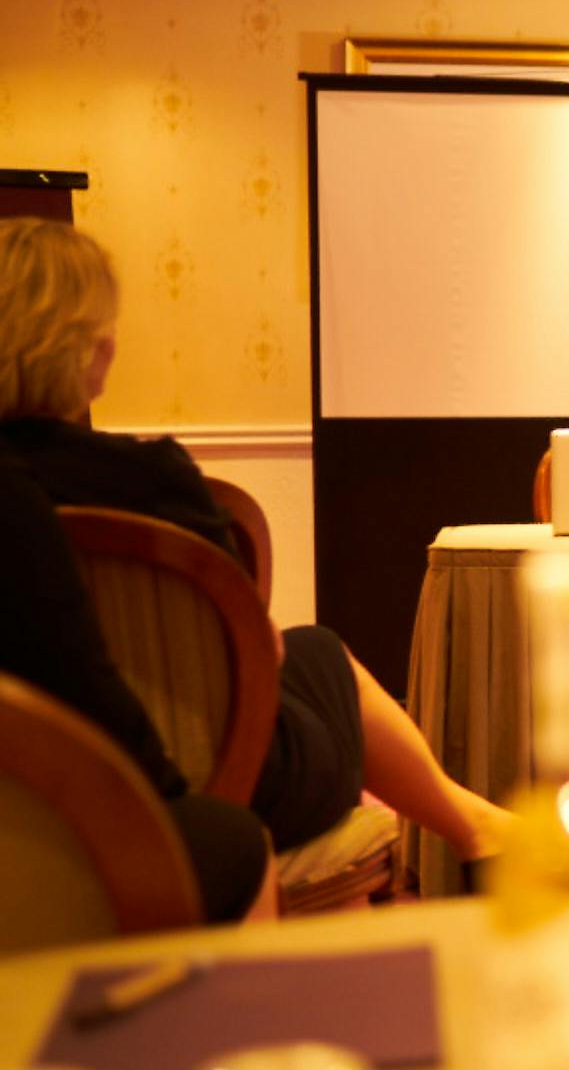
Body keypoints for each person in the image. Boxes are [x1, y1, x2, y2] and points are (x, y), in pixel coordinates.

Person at [0, 217, 514, 868]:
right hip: (225, 778)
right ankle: (474, 827)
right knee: (315, 656)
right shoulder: (153, 481)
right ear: (92, 351)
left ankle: (475, 823)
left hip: (33, 781)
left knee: (319, 651)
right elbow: (250, 650)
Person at [1, 453, 273, 922]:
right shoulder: (15, 501)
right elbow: (86, 688)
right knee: (240, 839)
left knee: (326, 657)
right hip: (52, 832)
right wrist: (166, 786)